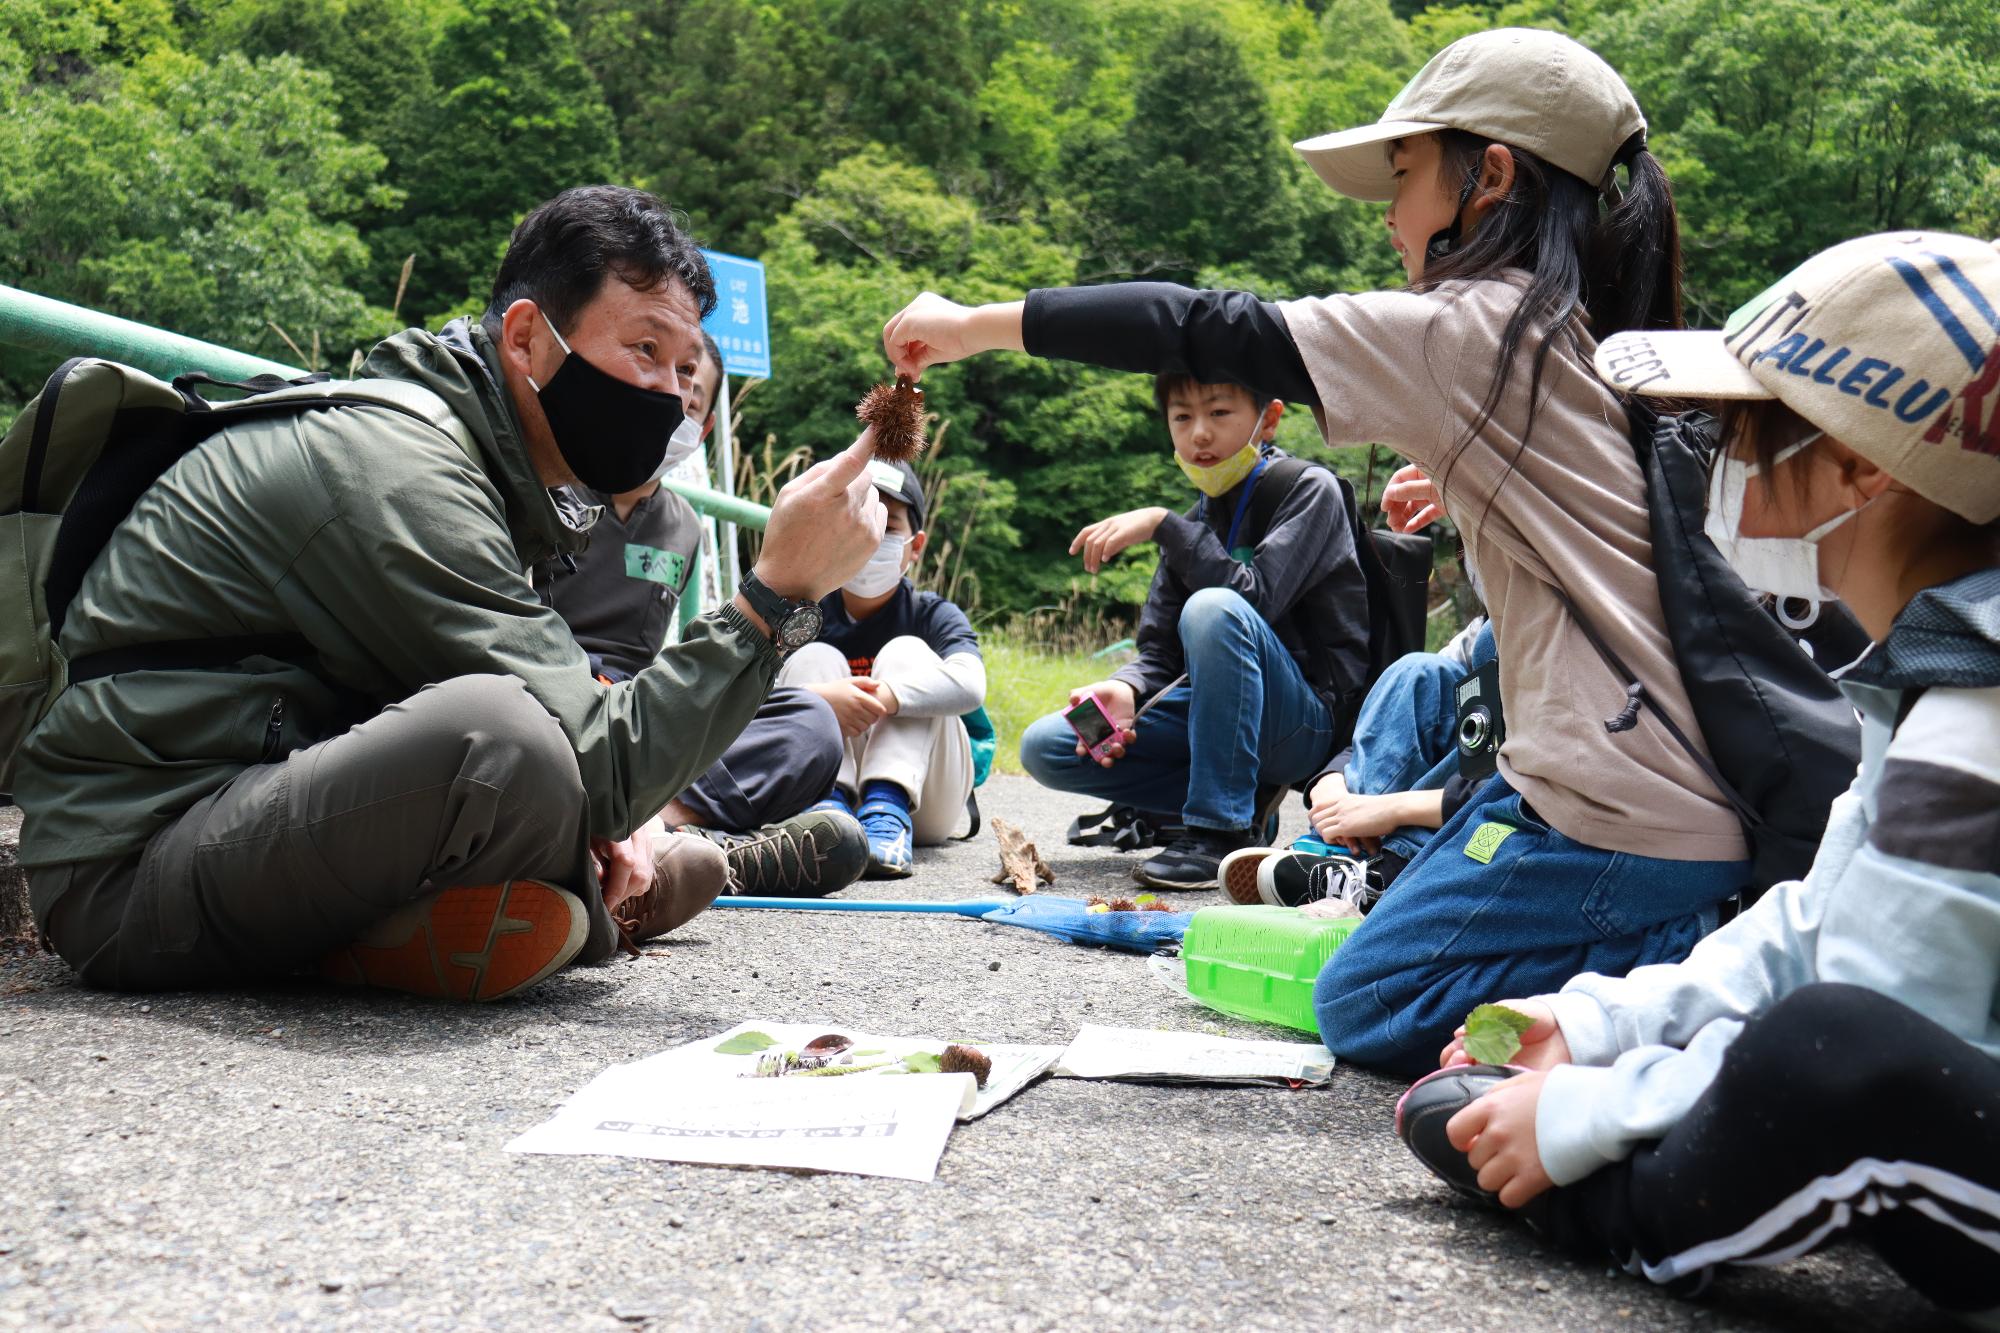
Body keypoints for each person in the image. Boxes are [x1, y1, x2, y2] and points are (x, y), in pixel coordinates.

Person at [882, 28, 1749, 1072]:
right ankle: (1632, 928)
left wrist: (971, 321)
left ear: (1492, 178)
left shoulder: (1471, 326)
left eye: (1403, 176)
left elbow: (1208, 324)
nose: (1386, 213)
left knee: (1367, 997)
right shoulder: (1564, 334)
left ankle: (1682, 974)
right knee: (1382, 910)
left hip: (1622, 809)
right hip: (1619, 782)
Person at [13, 185, 885, 1001]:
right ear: (526, 337)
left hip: (253, 801)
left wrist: (604, 796)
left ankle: (519, 907)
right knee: (503, 742)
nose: (664, 395)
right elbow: (597, 758)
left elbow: (579, 737)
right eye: (644, 350)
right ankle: (596, 903)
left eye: (684, 369)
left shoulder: (492, 469)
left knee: (542, 749)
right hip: (128, 863)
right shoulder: (395, 472)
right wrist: (776, 592)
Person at [1400, 229, 2000, 1324]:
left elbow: (1869, 1016)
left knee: (1829, 1054)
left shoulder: (1974, 720)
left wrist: (1587, 1115)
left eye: (1737, 432)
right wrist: (1599, 1024)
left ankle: (1618, 1205)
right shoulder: (1931, 672)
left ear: (1862, 461)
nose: (1711, 463)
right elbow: (1819, 922)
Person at [543, 333, 868, 897]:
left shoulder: (684, 527)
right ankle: (707, 856)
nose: (670, 409)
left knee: (810, 724)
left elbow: (667, 671)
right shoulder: (552, 487)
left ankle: (650, 833)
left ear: (704, 428)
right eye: (655, 383)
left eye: (689, 401)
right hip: (554, 693)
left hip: (638, 711)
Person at [1016, 374, 1368, 890]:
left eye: (1219, 413)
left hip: (1306, 722)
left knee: (1214, 607)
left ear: (1268, 419)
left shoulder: (1310, 491)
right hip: (1218, 716)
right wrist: (1128, 688)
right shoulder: (1196, 519)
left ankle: (1217, 832)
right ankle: (1243, 805)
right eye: (1182, 417)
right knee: (1046, 744)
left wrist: (1165, 526)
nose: (1199, 433)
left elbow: (1254, 599)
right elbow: (1159, 652)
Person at [776, 460, 985, 877]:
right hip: (822, 800)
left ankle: (888, 808)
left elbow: (971, 685)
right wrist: (818, 698)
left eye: (889, 526)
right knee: (812, 658)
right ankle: (828, 813)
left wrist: (888, 697)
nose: (872, 536)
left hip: (925, 803)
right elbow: (745, 697)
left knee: (908, 652)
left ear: (917, 544)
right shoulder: (804, 613)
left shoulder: (931, 614)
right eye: (858, 520)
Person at [1223, 613, 1496, 910]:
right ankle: (1346, 852)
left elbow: (1521, 789)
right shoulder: (1486, 623)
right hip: (1454, 798)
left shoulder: (1539, 633)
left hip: (1513, 822)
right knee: (1420, 672)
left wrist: (1393, 809)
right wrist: (1333, 780)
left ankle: (1388, 869)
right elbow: (1401, 715)